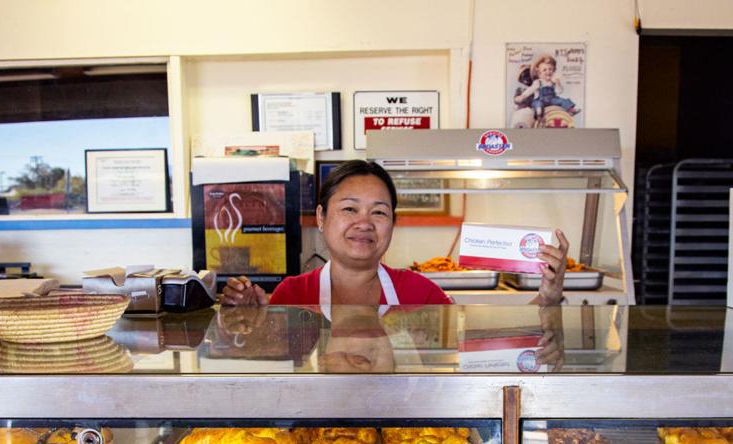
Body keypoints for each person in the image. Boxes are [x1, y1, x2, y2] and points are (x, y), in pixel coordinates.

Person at [221, 159, 569, 307]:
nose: (364, 223)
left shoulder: (420, 292)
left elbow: (479, 348)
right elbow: (270, 371)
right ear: (322, 217)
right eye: (350, 209)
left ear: (392, 223)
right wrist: (251, 322)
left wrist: (549, 295)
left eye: (379, 212)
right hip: (318, 434)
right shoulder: (293, 294)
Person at [516, 54, 580, 125]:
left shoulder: (553, 82)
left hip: (552, 100)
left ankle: (571, 110)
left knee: (562, 100)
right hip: (540, 99)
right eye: (545, 70)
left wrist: (558, 84)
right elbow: (530, 90)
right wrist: (523, 96)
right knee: (538, 104)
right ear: (539, 73)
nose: (548, 71)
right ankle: (539, 115)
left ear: (553, 71)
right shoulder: (538, 82)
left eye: (550, 69)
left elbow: (559, 92)